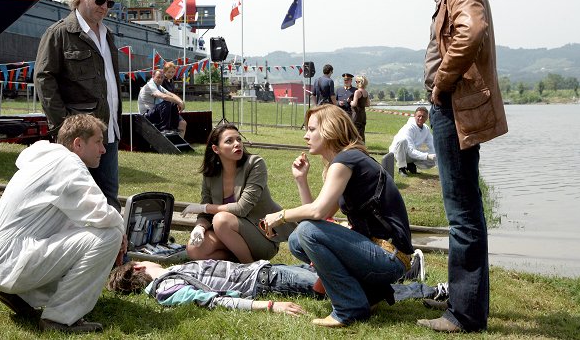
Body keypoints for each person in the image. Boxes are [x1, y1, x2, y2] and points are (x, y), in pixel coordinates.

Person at [409, 0, 507, 332]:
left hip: (453, 108)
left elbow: (471, 31)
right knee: (467, 210)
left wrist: (441, 82)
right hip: (450, 107)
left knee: (462, 213)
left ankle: (464, 314)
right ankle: (469, 304)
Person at [262, 104, 414, 328]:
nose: (306, 135)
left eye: (312, 129)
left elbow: (317, 213)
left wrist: (281, 215)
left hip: (389, 256)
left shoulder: (347, 160)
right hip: (377, 252)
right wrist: (301, 180)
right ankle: (369, 294)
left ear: (330, 129)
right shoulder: (346, 160)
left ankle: (349, 307)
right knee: (297, 240)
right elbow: (318, 220)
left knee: (305, 232)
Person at [0, 114, 125, 333]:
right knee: (109, 235)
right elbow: (101, 213)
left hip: (2, 261)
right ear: (78, 143)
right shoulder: (67, 164)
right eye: (98, 142)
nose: (103, 150)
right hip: (12, 264)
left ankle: (24, 297)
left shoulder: (48, 160)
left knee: (85, 226)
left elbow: (86, 215)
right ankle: (60, 319)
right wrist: (122, 232)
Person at [34, 0, 122, 212]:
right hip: (78, 137)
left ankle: (113, 248)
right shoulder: (59, 33)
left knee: (109, 198)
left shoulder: (108, 35)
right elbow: (44, 79)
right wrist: (62, 126)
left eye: (110, 3)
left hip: (108, 132)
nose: (105, 8)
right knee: (75, 200)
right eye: (100, 0)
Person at [181, 123, 294, 263]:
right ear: (216, 149)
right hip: (229, 236)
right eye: (229, 141)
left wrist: (204, 207)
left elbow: (242, 208)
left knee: (221, 220)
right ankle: (236, 262)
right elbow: (205, 214)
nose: (237, 144)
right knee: (194, 249)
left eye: (239, 139)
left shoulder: (255, 164)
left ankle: (249, 267)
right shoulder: (210, 174)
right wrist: (200, 227)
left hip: (263, 237)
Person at [107, 259, 314, 315]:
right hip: (269, 281)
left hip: (268, 270)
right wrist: (270, 306)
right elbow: (214, 301)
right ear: (138, 268)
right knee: (340, 282)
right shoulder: (167, 290)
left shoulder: (171, 272)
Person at [138, 69, 187, 138]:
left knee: (172, 103)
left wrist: (181, 102)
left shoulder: (159, 86)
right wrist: (178, 102)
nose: (160, 79)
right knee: (166, 102)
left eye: (162, 78)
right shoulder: (150, 86)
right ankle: (165, 129)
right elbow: (163, 96)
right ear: (153, 76)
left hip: (155, 112)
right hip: (146, 115)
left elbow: (170, 94)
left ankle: (174, 128)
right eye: (158, 77)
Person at [389, 106, 436, 177]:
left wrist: (436, 155)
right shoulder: (408, 128)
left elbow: (432, 144)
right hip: (398, 154)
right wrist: (427, 156)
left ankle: (411, 165)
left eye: (423, 116)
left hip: (412, 153)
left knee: (435, 158)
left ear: (427, 118)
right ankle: (401, 167)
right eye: (419, 116)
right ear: (414, 116)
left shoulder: (426, 129)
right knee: (402, 141)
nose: (420, 118)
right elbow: (410, 151)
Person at [350, 75, 370, 142]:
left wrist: (350, 102)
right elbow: (368, 104)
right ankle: (362, 146)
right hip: (363, 115)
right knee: (362, 132)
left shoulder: (357, 92)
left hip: (356, 114)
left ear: (359, 82)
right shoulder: (366, 92)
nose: (355, 83)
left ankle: (355, 146)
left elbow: (354, 104)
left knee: (355, 132)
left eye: (356, 81)